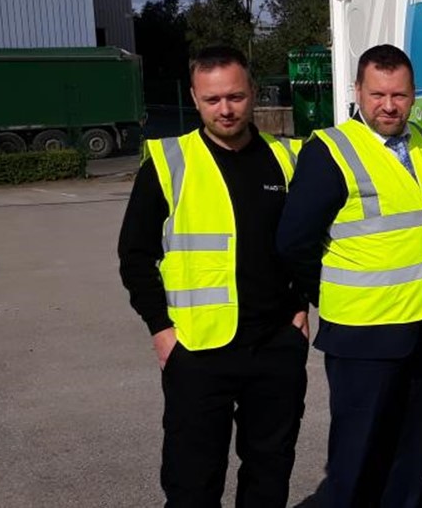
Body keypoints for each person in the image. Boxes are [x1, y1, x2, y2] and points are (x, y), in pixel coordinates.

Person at [117, 45, 307, 507]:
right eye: (212, 100)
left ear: (253, 94)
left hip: (275, 344)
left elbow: (306, 243)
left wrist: (300, 307)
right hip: (198, 350)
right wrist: (161, 330)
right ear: (195, 98)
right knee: (192, 480)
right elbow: (134, 256)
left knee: (269, 470)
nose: (225, 109)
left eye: (236, 97)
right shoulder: (168, 163)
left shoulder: (288, 159)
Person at [275, 44, 422, 508]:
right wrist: (328, 291)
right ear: (357, 91)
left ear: (414, 95)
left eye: (399, 95)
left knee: (410, 452)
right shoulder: (331, 150)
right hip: (362, 333)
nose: (388, 105)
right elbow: (293, 242)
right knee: (359, 454)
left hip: (421, 324)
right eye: (377, 94)